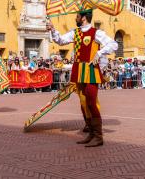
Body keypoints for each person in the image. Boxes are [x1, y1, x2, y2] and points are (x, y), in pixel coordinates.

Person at [47, 10, 118, 147]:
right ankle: (91, 133)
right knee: (84, 103)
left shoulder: (96, 32)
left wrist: (100, 52)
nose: (76, 18)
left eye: (78, 16)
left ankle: (98, 136)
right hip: (79, 70)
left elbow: (114, 45)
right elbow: (60, 41)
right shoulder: (75, 32)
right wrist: (52, 29)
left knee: (91, 102)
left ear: (84, 18)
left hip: (91, 70)